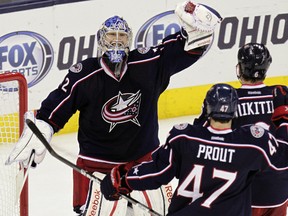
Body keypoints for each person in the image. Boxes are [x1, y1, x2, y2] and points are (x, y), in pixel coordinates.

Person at [5, 1, 222, 215]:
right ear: (101, 40)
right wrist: (43, 125)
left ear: (130, 41)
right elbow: (56, 108)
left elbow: (185, 49)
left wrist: (194, 33)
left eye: (122, 36)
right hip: (97, 167)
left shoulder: (148, 64)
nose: (117, 41)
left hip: (144, 165)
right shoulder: (84, 75)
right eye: (111, 36)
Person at [100, 83, 288, 216]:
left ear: (206, 107)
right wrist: (283, 120)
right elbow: (283, 158)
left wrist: (122, 180)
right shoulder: (252, 144)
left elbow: (158, 171)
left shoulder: (184, 137)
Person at [194, 43, 288, 216]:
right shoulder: (281, 94)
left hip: (242, 191)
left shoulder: (226, 98)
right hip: (279, 188)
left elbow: (198, 137)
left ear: (240, 68)